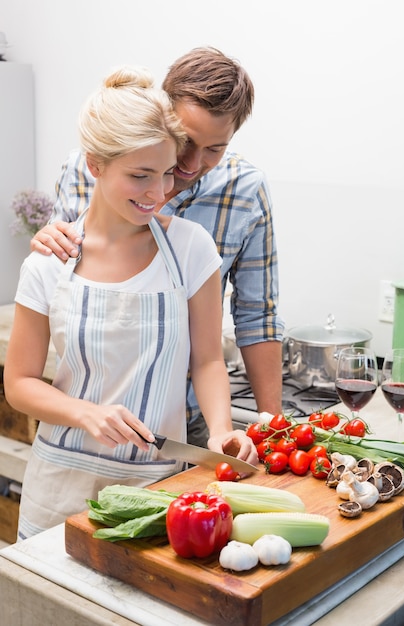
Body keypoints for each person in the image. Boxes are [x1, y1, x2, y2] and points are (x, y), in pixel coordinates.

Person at [4, 65, 257, 540]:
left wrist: (222, 430)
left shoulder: (191, 248)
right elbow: (18, 384)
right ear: (95, 164)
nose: (158, 193)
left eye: (164, 174)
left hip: (157, 485)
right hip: (59, 484)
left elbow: (206, 361)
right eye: (140, 175)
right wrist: (85, 412)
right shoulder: (48, 262)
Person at [31, 47, 285, 447]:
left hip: (187, 422)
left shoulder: (245, 191)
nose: (190, 163)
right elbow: (58, 264)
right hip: (85, 417)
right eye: (185, 139)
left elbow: (257, 318)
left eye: (215, 149)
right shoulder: (88, 167)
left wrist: (274, 427)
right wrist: (46, 241)